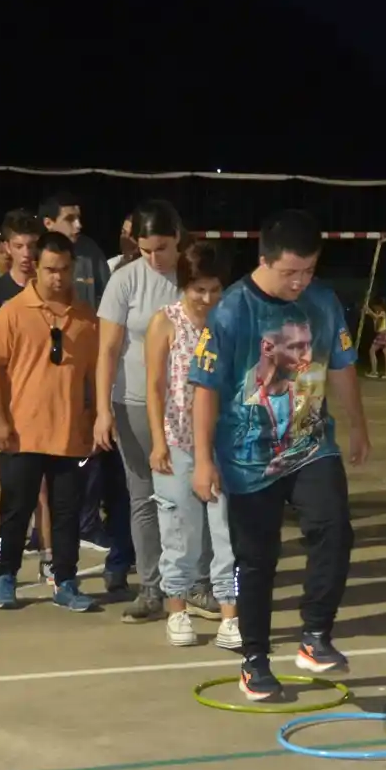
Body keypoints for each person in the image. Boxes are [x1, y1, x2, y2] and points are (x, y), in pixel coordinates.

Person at [189, 209, 370, 701]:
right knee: (258, 561)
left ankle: (315, 636)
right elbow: (204, 389)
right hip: (248, 461)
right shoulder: (232, 310)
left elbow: (343, 366)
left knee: (334, 531)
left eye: (309, 270)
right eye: (290, 272)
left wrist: (357, 426)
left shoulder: (323, 302)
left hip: (312, 445)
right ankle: (255, 660)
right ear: (264, 260)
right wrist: (203, 460)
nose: (300, 281)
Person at [0, 230, 101, 613]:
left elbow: (96, 374)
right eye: (50, 269)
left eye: (64, 269)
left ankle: (65, 579)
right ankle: (5, 574)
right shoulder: (13, 311)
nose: (57, 278)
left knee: (67, 514)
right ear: (37, 268)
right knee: (15, 509)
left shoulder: (86, 319)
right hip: (21, 433)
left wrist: (95, 417)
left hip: (69, 435)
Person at [145, 240, 242, 650]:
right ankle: (178, 610)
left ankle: (230, 616)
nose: (206, 298)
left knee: (227, 533)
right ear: (184, 286)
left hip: (226, 445)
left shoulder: (233, 324)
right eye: (198, 289)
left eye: (214, 289)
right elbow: (153, 387)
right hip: (177, 441)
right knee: (179, 530)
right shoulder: (164, 322)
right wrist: (157, 443)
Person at [96, 199, 185, 623]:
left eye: (162, 248)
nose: (154, 258)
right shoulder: (124, 280)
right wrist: (102, 410)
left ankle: (191, 583)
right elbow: (108, 349)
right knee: (143, 496)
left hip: (187, 406)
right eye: (146, 249)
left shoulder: (193, 279)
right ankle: (152, 587)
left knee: (189, 495)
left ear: (179, 239)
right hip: (132, 403)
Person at [0, 209, 51, 589]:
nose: (26, 253)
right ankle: (2, 560)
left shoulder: (53, 291)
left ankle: (51, 559)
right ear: (6, 247)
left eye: (32, 245)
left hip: (45, 403)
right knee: (4, 482)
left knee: (45, 486)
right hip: (4, 402)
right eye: (18, 245)